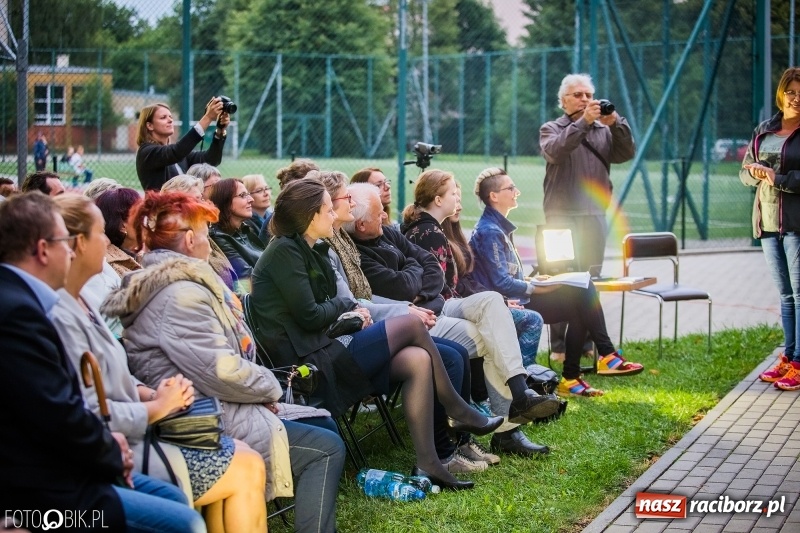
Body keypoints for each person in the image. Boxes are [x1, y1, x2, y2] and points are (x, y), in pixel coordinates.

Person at [102, 190, 345, 532]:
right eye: (206, 233)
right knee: (327, 448)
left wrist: (260, 392)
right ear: (190, 240)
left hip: (217, 403)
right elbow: (221, 370)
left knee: (326, 427)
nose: (210, 241)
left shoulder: (184, 285)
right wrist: (270, 389)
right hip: (202, 416)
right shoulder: (179, 295)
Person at [250, 178, 504, 489]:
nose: (334, 215)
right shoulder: (284, 252)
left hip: (329, 343)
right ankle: (457, 408)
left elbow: (325, 306)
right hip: (310, 362)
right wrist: (346, 306)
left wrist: (346, 308)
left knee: (417, 359)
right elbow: (311, 315)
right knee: (412, 324)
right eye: (328, 210)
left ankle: (429, 463)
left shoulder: (311, 249)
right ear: (310, 216)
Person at [51, 194, 267, 533]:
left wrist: (151, 393)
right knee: (247, 466)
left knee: (244, 456)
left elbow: (114, 378)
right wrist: (156, 407)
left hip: (141, 429)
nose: (108, 242)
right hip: (122, 446)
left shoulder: (80, 303)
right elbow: (88, 411)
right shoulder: (60, 314)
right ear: (76, 244)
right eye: (100, 232)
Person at [0, 192, 205, 533]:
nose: (70, 252)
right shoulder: (20, 312)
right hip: (34, 495)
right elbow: (56, 414)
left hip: (63, 464)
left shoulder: (26, 300)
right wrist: (110, 447)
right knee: (186, 524)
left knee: (174, 499)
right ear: (43, 250)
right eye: (64, 243)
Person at [346, 182, 558, 457]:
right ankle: (508, 431)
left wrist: (417, 281)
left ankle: (520, 391)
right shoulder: (360, 255)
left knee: (492, 301)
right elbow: (405, 285)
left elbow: (430, 265)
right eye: (378, 214)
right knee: (493, 335)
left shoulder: (387, 233)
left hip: (438, 304)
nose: (386, 216)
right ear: (361, 225)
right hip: (420, 319)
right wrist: (416, 275)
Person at [318, 170, 494, 472]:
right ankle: (445, 446)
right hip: (349, 339)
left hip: (378, 321)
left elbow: (424, 263)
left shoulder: (344, 239)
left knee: (455, 352)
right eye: (346, 198)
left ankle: (457, 438)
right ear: (328, 207)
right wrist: (405, 307)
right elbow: (354, 302)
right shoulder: (327, 247)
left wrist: (411, 296)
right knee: (443, 355)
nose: (385, 218)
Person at [470, 167, 644, 397]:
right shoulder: (490, 231)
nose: (517, 192)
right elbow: (501, 282)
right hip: (508, 303)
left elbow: (503, 275)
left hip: (517, 297)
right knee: (583, 295)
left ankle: (576, 376)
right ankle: (602, 357)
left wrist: (532, 279)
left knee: (582, 293)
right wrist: (536, 287)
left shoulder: (498, 228)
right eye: (510, 188)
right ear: (494, 196)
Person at [539, 73, 635, 360]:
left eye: (589, 95)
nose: (585, 100)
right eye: (578, 95)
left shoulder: (603, 131)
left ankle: (587, 344)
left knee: (590, 280)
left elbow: (626, 153)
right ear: (563, 100)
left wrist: (616, 123)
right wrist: (583, 123)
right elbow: (556, 152)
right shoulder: (551, 128)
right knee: (559, 280)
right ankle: (559, 347)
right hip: (560, 215)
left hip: (594, 215)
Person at [742, 67, 800, 391]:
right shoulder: (765, 129)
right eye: (791, 91)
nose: (796, 98)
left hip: (795, 225)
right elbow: (744, 172)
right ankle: (789, 357)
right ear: (782, 93)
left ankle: (799, 363)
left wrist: (777, 178)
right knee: (786, 296)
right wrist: (754, 173)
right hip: (767, 223)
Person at [136, 98, 230, 191]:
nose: (170, 120)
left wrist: (220, 131)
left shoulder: (177, 154)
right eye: (163, 117)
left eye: (170, 117)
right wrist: (208, 117)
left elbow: (211, 160)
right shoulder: (147, 152)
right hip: (161, 202)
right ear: (149, 125)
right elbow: (177, 151)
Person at [208, 178, 266, 285]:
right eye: (243, 195)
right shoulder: (219, 238)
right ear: (225, 202)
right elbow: (248, 278)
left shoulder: (244, 229)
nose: (251, 199)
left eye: (248, 194)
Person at [95, 187, 143, 278]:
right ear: (122, 226)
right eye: (141, 216)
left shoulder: (139, 256)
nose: (146, 222)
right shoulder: (111, 266)